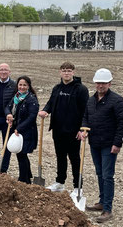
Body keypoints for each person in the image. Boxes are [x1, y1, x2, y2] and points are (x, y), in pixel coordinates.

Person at [78, 68, 123, 223]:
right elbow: (85, 117)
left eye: (104, 83)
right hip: (95, 143)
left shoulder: (117, 101)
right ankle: (101, 202)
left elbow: (122, 124)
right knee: (99, 173)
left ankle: (107, 208)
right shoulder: (91, 101)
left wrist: (117, 143)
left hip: (109, 144)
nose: (100, 85)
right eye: (98, 83)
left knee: (107, 175)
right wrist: (83, 130)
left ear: (109, 83)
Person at [38, 62, 89, 192]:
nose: (66, 73)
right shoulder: (57, 88)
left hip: (73, 131)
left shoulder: (81, 89)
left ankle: (78, 187)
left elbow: (85, 110)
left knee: (75, 159)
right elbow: (51, 102)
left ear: (73, 72)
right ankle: (60, 182)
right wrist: (45, 111)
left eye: (69, 70)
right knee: (60, 157)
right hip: (58, 130)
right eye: (64, 70)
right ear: (60, 72)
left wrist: (82, 128)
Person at [5, 76, 39, 184]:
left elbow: (32, 117)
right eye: (20, 85)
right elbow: (7, 107)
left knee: (21, 154)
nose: (22, 87)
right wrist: (8, 114)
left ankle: (24, 180)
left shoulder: (31, 99)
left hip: (26, 131)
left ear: (28, 86)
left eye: (24, 85)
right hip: (16, 129)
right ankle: (27, 175)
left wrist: (19, 128)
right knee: (21, 154)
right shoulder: (16, 96)